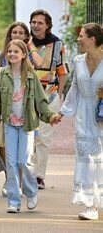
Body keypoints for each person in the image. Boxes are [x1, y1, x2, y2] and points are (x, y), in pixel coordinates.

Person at [0, 39, 59, 213]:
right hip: (9, 124)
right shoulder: (1, 74)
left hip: (27, 125)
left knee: (25, 161)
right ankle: (14, 201)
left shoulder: (31, 77)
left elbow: (41, 101)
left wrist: (50, 116)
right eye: (10, 51)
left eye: (16, 51)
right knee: (11, 163)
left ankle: (31, 192)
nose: (12, 54)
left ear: (24, 55)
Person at [54, 23, 103, 220]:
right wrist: (62, 112)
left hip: (102, 115)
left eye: (82, 36)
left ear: (92, 39)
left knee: (100, 159)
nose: (79, 39)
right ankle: (91, 205)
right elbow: (73, 88)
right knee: (87, 161)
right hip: (84, 115)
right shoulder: (77, 60)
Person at [27, 9, 68, 189]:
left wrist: (59, 94)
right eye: (33, 22)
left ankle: (38, 175)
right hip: (27, 95)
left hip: (49, 94)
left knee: (43, 137)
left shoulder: (57, 43)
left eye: (40, 23)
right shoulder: (24, 43)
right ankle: (26, 172)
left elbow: (62, 70)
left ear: (48, 25)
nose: (35, 25)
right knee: (28, 136)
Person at [0, 21, 30, 197]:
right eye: (14, 32)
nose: (17, 35)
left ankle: (22, 183)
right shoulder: (2, 56)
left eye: (21, 33)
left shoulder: (29, 56)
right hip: (6, 111)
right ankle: (10, 179)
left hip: (25, 112)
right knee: (3, 146)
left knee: (24, 153)